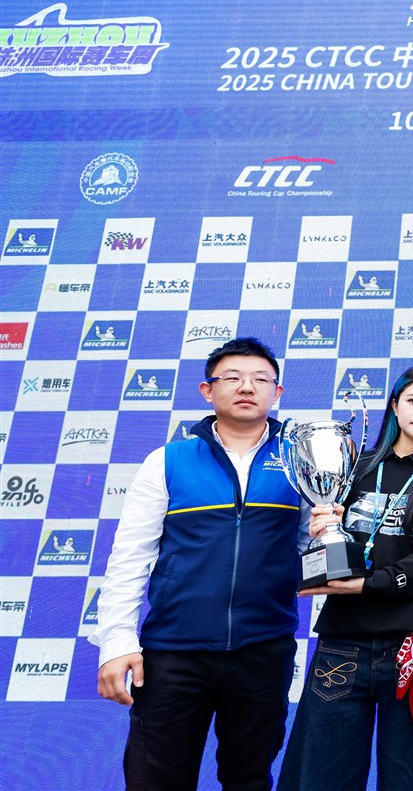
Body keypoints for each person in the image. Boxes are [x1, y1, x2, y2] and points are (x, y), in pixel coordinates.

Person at [90, 336, 304, 790]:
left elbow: (311, 552)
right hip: (173, 654)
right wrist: (116, 643)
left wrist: (331, 535)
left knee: (249, 780)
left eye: (260, 379)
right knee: (155, 780)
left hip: (264, 652)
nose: (246, 386)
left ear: (277, 392)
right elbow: (129, 558)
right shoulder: (167, 462)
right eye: (232, 377)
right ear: (208, 390)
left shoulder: (302, 463)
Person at [278, 364, 413, 791]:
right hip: (342, 642)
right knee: (322, 776)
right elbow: (323, 540)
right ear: (394, 406)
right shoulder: (354, 468)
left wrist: (371, 584)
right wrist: (321, 531)